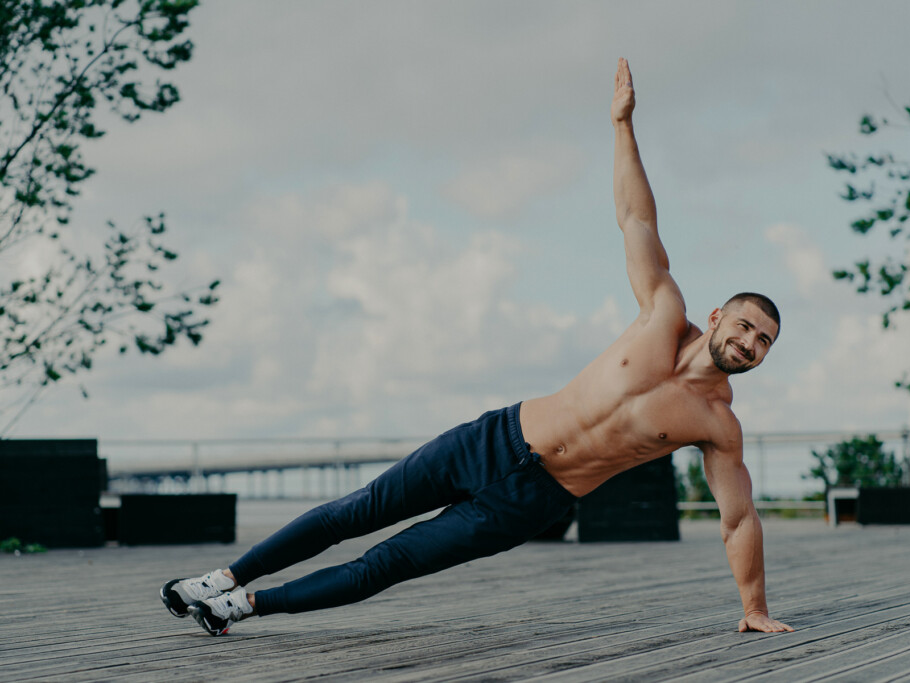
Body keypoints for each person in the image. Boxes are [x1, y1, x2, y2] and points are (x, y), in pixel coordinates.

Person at [161, 58, 793, 637]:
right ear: (717, 316)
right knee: (354, 511)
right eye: (743, 326)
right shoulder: (663, 313)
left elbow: (738, 519)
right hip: (494, 438)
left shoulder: (718, 425)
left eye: (762, 341)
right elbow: (637, 220)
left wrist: (754, 607)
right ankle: (226, 578)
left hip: (533, 500)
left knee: (388, 563)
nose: (748, 343)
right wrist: (622, 126)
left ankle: (240, 608)